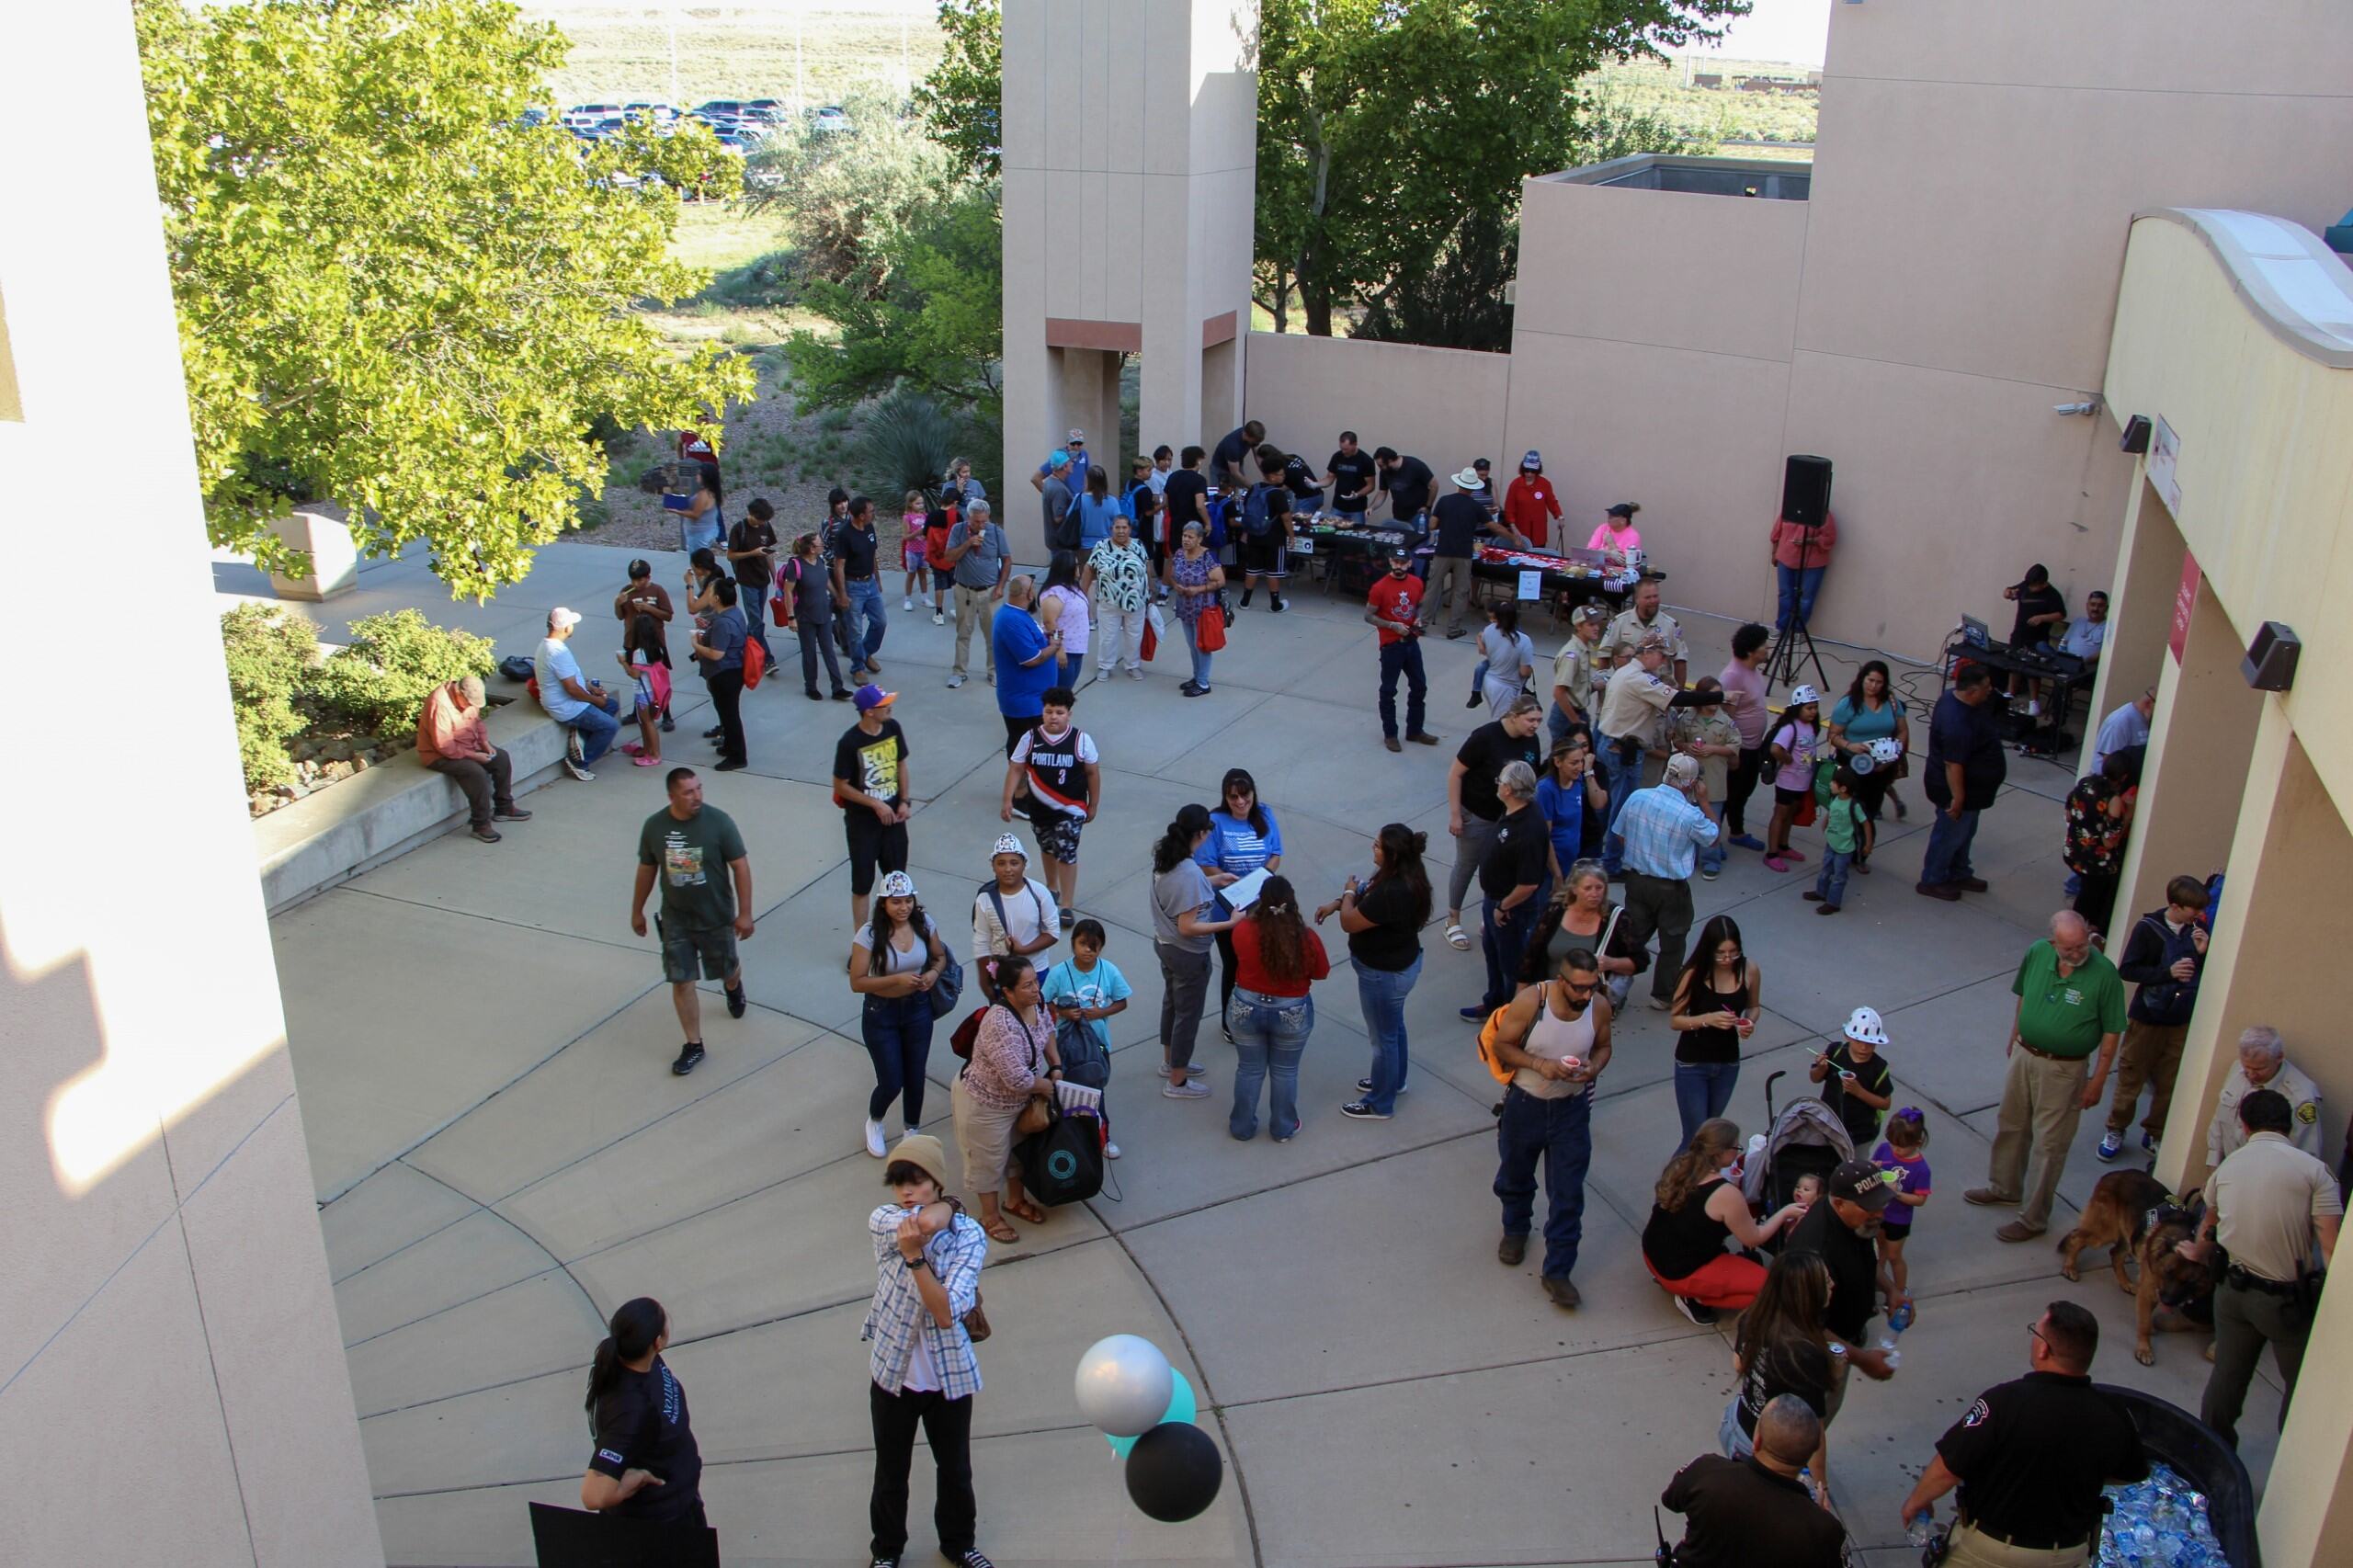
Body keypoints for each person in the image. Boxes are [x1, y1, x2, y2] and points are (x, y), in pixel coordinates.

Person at [1899, 1301, 2147, 1566]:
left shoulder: (2004, 1403)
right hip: (2067, 1555)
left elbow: (1949, 1468)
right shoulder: (2114, 1414)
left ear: (2044, 1349)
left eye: (2035, 1332)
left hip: (1991, 1550)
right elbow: (2131, 1473)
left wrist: (1917, 1501)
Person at [2181, 1088, 2342, 1446]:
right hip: (2285, 1302)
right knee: (2301, 1389)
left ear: (2244, 1124)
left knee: (2226, 1378)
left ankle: (2213, 1453)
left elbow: (2209, 1228)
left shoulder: (2228, 1167)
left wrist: (2197, 1251)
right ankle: (2293, 1460)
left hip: (2232, 1292)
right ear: (2288, 1127)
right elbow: (2330, 1244)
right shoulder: (2315, 1172)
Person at [861, 1134, 992, 1568]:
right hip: (893, 1372)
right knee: (891, 1473)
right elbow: (923, 1224)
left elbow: (946, 1312)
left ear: (936, 1181)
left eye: (916, 1182)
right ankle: (886, 1551)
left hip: (947, 1375)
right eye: (899, 1183)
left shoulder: (970, 1237)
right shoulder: (884, 1219)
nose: (905, 1193)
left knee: (955, 1469)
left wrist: (917, 1260)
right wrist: (948, 1206)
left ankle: (959, 1544)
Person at [1964, 912, 2126, 1241]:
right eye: (2070, 948)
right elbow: (2024, 995)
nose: (2078, 952)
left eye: (2082, 945)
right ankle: (2004, 1187)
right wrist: (2015, 1036)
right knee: (2011, 1123)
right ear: (2054, 943)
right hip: (2026, 1054)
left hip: (2065, 1068)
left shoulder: (2105, 974)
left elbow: (2112, 1032)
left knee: (2049, 1144)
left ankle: (2033, 1218)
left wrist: (2097, 1080)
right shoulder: (2038, 952)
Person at [1489, 946, 1613, 1309]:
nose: (1586, 995)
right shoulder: (1532, 1001)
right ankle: (1515, 1229)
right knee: (1515, 1176)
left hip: (1570, 1111)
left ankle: (1558, 1271)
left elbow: (1605, 1047)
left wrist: (1594, 1068)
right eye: (1578, 988)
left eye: (1592, 986)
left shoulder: (1599, 1007)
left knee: (1568, 1194)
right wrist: (1540, 1065)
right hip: (1525, 1105)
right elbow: (1502, 1046)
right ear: (1561, 981)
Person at [631, 767, 752, 1077]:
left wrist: (745, 913)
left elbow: (740, 867)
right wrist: (637, 910)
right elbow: (647, 869)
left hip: (715, 917)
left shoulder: (719, 823)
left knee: (727, 968)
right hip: (676, 920)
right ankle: (694, 1044)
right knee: (682, 980)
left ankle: (734, 986)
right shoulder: (655, 827)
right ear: (672, 796)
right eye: (688, 792)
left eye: (699, 789)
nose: (697, 796)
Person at [1642, 1119, 1806, 1323]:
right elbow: (1753, 1238)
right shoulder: (1725, 1193)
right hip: (1681, 1272)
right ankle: (1696, 1297)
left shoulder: (1680, 1166)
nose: (1738, 1151)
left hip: (1654, 1256)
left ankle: (1690, 1288)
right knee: (1771, 1289)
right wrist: (1785, 1212)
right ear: (1720, 1152)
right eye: (1736, 1147)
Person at [2096, 875, 2210, 1162]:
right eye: (2193, 909)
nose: (2198, 915)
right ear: (2175, 905)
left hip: (2180, 1018)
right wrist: (2167, 974)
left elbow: (2199, 973)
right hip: (2147, 1017)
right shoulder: (2148, 929)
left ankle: (2156, 1131)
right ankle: (2116, 1129)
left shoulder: (2198, 930)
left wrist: (2202, 955)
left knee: (2170, 1082)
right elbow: (2129, 970)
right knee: (2131, 1076)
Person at [1322, 824, 1430, 1121]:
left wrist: (1345, 893)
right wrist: (1338, 901)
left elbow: (1350, 922)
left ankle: (1380, 1103)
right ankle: (1394, 1080)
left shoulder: (1393, 891)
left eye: (1378, 846)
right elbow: (1364, 894)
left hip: (1384, 975)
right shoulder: (1407, 876)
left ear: (1393, 855)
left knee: (1383, 1041)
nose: (1373, 847)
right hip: (1401, 967)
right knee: (1393, 1029)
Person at [1662, 1395, 1846, 1568]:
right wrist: (1820, 1515)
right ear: (1810, 1453)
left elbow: (1670, 1500)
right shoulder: (1822, 1529)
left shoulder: (1706, 1472)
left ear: (1756, 1440)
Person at [951, 952, 1059, 1242]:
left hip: (1018, 1101)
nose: (1035, 989)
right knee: (988, 1161)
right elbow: (1017, 1079)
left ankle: (1014, 1201)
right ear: (1008, 992)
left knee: (1017, 1153)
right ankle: (990, 1217)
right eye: (1027, 985)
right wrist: (1046, 1087)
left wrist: (1056, 1066)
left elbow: (1048, 1031)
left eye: (1035, 981)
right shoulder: (999, 1024)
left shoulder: (1038, 1004)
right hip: (985, 1104)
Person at [1596, 634, 1720, 874]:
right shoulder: (1639, 679)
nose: (1663, 662)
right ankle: (1610, 863)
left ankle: (1602, 854)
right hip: (1623, 750)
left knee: (1615, 805)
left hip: (1616, 744)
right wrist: (1720, 697)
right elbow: (1679, 698)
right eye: (1661, 656)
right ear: (1648, 653)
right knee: (1622, 810)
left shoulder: (1625, 672)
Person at [581, 1297, 705, 1527]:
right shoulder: (632, 1412)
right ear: (658, 1341)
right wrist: (633, 1480)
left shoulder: (636, 1359)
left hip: (680, 1498)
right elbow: (594, 1495)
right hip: (662, 1518)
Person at [1783, 1161, 1902, 1396]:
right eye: (1870, 1207)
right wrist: (1863, 1360)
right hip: (1818, 1358)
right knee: (1815, 1421)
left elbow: (1864, 1260)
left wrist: (1891, 1290)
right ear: (1839, 1203)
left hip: (1847, 1339)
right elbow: (1810, 1327)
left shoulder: (1857, 1221)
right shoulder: (1817, 1252)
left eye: (1881, 1204)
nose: (1880, 1214)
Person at [1225, 875, 1329, 1142]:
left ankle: (1241, 1127)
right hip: (1291, 1010)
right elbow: (1321, 972)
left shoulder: (1243, 930)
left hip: (1244, 1006)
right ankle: (1283, 1127)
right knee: (1285, 1071)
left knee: (1249, 1069)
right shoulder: (1306, 938)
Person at [1614, 753, 1720, 1011]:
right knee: (1672, 943)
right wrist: (1705, 801)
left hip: (1637, 881)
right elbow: (1713, 837)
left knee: (1630, 939)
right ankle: (1663, 995)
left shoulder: (1638, 797)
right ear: (1691, 783)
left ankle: (1613, 995)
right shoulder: (1690, 814)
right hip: (1671, 889)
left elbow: (1619, 833)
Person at [851, 871, 946, 1158]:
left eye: (908, 901)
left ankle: (911, 1130)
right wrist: (896, 980)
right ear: (883, 904)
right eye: (896, 902)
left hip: (917, 1008)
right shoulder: (868, 935)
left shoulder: (924, 924)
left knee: (916, 1073)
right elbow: (857, 982)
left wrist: (931, 973)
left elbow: (940, 957)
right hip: (881, 1014)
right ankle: (875, 1120)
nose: (903, 907)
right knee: (892, 1079)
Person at [1443, 697, 1546, 950]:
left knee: (1501, 870)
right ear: (1513, 716)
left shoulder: (1532, 741)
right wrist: (1456, 813)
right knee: (1467, 865)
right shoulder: (1486, 737)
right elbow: (1456, 772)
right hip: (1477, 815)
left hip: (1509, 817)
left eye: (1539, 721)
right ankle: (1453, 918)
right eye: (1530, 720)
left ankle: (1491, 916)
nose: (1535, 726)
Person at [1720, 1253, 1836, 1471]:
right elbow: (1814, 1431)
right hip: (1761, 1450)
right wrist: (1821, 1488)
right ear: (1808, 1294)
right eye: (1827, 1281)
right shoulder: (1805, 1356)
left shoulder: (1754, 1317)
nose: (1833, 1285)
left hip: (1734, 1424)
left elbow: (1738, 1364)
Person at [1153, 805, 1235, 1099]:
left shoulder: (1167, 858)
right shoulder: (1188, 872)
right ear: (1201, 833)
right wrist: (1229, 923)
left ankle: (1170, 1061)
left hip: (1165, 944)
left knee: (1172, 1005)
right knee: (1188, 1015)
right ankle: (1177, 1081)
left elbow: (1186, 886)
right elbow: (1188, 926)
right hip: (1187, 954)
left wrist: (1215, 880)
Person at [1462, 761, 1550, 1025]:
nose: (1497, 785)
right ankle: (1494, 1001)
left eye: (1500, 781)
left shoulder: (1529, 827)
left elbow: (1529, 883)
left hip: (1511, 908)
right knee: (1493, 951)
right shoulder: (1514, 811)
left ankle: (1512, 1016)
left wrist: (1503, 907)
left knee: (1512, 961)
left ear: (1509, 789)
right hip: (1495, 901)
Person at [1196, 768, 1284, 1028]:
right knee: (1234, 965)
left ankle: (1260, 1015)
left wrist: (1261, 882)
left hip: (1263, 905)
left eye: (1245, 796)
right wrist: (1236, 885)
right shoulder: (1216, 821)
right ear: (1226, 797)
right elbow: (1206, 863)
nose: (1240, 802)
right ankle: (1229, 1021)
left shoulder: (1265, 814)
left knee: (1264, 963)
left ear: (1253, 794)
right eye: (1233, 797)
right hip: (1228, 909)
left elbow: (1276, 854)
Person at [1003, 687, 1099, 921]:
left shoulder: (1081, 740)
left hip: (1071, 809)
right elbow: (1016, 768)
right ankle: (1051, 888)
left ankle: (1066, 904)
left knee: (1066, 851)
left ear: (1069, 714)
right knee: (1047, 847)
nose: (1053, 717)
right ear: (1042, 713)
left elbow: (1092, 773)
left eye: (1059, 712)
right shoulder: (1031, 738)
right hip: (1040, 809)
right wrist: (1008, 799)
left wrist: (1093, 804)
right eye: (1049, 712)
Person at [1039, 919, 1131, 1159]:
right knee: (1067, 1092)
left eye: (1094, 946)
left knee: (1095, 1090)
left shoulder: (1108, 970)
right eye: (1083, 944)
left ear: (1101, 948)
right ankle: (1068, 1137)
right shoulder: (1059, 973)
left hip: (1097, 1043)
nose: (1088, 950)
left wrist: (1101, 1012)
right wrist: (1062, 1012)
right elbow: (1044, 1001)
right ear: (1073, 944)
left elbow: (1122, 1002)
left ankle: (1103, 1137)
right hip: (1065, 1046)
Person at [1667, 918, 1760, 1144]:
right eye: (1720, 954)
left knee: (1712, 1137)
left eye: (1733, 952)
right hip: (1693, 1063)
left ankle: (1696, 1179)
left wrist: (1749, 1022)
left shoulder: (1749, 970)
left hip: (1727, 1062)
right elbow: (1676, 1020)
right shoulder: (1693, 974)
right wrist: (1707, 1019)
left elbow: (1754, 1006)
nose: (1727, 959)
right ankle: (1674, 1180)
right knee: (1696, 1139)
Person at [1919, 663, 2006, 900]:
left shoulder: (1954, 699)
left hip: (1974, 791)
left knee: (1965, 832)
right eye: (1986, 687)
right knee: (1950, 835)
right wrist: (1957, 799)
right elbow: (1953, 765)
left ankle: (1959, 871)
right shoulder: (1956, 722)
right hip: (1955, 790)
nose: (1990, 690)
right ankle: (1932, 879)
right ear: (1971, 691)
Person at [834, 686, 913, 929]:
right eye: (884, 704)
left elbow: (901, 764)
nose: (890, 707)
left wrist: (904, 800)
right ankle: (862, 942)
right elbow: (840, 786)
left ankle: (896, 933)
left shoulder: (892, 727)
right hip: (863, 826)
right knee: (862, 885)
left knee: (897, 881)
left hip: (894, 821)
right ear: (869, 712)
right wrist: (875, 804)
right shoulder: (850, 742)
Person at [417, 675, 529, 843]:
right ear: (460, 694)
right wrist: (474, 755)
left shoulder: (468, 700)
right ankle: (480, 824)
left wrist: (484, 743)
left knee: (501, 758)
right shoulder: (440, 704)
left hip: (469, 746)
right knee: (475, 773)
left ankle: (504, 808)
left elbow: (476, 722)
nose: (471, 707)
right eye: (469, 703)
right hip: (439, 755)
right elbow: (444, 746)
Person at [1522, 858, 1643, 1010]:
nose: (1594, 894)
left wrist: (1611, 963)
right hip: (1550, 999)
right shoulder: (1555, 911)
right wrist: (1520, 995)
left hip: (1591, 1005)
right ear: (1573, 889)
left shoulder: (1618, 918)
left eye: (1599, 888)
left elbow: (1640, 961)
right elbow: (1530, 955)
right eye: (1587, 888)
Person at [2205, 1025, 2325, 1165]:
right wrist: (2213, 1165)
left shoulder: (2302, 1096)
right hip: (2228, 1168)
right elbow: (2219, 1121)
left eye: (2259, 1069)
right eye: (2246, 1067)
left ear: (2279, 1057)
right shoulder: (2237, 1069)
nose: (2250, 1074)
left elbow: (2306, 1155)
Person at [538, 607, 627, 780]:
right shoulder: (557, 652)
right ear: (565, 628)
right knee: (610, 726)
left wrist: (588, 686)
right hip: (566, 707)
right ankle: (580, 762)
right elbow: (571, 689)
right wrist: (595, 700)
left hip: (567, 701)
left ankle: (580, 737)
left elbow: (570, 679)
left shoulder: (547, 645)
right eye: (571, 624)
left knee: (611, 705)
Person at [1826, 659, 1910, 839]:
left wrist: (1893, 753)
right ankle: (1842, 850)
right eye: (1870, 680)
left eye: (1879, 682)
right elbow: (1832, 736)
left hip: (1881, 768)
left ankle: (1862, 852)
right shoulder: (1848, 704)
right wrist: (1850, 745)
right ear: (1862, 679)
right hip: (1852, 767)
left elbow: (1903, 730)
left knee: (1870, 812)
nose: (1874, 686)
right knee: (1848, 811)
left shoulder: (1891, 702)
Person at [1365, 543, 1438, 751]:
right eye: (1395, 562)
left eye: (1402, 563)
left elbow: (1421, 605)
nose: (1398, 566)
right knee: (1388, 690)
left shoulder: (1416, 583)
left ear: (1409, 563)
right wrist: (1391, 626)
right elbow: (1368, 615)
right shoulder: (1379, 588)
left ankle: (1415, 730)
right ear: (1390, 562)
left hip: (1411, 642)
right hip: (1391, 645)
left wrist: (1421, 620)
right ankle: (1390, 734)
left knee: (1420, 686)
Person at [971, 833, 1061, 999]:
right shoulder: (985, 899)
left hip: (1036, 971)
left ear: (1024, 864)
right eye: (1001, 863)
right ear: (993, 866)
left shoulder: (1039, 893)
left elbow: (1053, 932)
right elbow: (981, 941)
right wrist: (984, 981)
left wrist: (1024, 950)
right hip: (1004, 975)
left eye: (1014, 863)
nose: (1008, 869)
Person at [1668, 678, 1741, 880]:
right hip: (1689, 779)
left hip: (1714, 778)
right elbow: (1677, 739)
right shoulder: (1687, 718)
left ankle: (1711, 859)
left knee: (1712, 820)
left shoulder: (1726, 721)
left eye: (1719, 694)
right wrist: (1685, 746)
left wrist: (1713, 749)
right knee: (1686, 819)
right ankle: (1686, 857)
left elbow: (1734, 746)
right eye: (1711, 695)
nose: (1715, 700)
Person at [2061, 748, 2137, 937]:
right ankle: (2077, 930)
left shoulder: (2085, 783)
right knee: (2090, 899)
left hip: (2074, 851)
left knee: (2085, 891)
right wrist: (2127, 815)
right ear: (2124, 776)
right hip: (2096, 863)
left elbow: (2069, 814)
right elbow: (2109, 842)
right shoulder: (2113, 800)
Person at [1423, 466, 1501, 637]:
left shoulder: (1444, 501)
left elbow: (1432, 525)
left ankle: (1422, 624)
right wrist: (1512, 536)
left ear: (1458, 484)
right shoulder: (1476, 506)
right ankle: (1453, 628)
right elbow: (1492, 526)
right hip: (1463, 554)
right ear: (1473, 487)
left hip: (1443, 551)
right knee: (1460, 591)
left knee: (1432, 588)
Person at [944, 498, 1009, 690]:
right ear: (968, 518)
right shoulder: (958, 531)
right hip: (965, 590)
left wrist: (1000, 587)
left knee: (993, 635)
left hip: (990, 591)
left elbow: (1006, 560)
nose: (980, 525)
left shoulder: (996, 532)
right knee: (963, 632)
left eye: (983, 521)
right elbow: (949, 557)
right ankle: (959, 672)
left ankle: (994, 671)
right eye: (975, 521)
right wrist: (968, 543)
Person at [1810, 1005, 1896, 1152]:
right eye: (1858, 1041)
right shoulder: (1835, 1052)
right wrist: (1821, 1068)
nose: (1864, 1048)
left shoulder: (1878, 1067)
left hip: (1860, 1134)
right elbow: (1815, 1078)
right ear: (1847, 1036)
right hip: (1828, 1124)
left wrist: (1859, 1092)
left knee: (1854, 1171)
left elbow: (1885, 1103)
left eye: (1869, 1043)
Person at [1719, 622, 1774, 850]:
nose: (1768, 649)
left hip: (1754, 747)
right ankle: (1712, 841)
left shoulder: (1753, 671)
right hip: (1739, 750)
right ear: (1751, 651)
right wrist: (1732, 753)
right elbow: (1724, 718)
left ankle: (1737, 832)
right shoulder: (1733, 676)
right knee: (1726, 795)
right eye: (1764, 646)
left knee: (1743, 792)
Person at [991, 575, 1061, 755]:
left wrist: (1046, 637)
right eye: (1033, 589)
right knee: (1023, 752)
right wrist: (1054, 646)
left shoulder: (1019, 615)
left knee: (1033, 750)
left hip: (1034, 700)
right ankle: (1022, 783)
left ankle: (1028, 782)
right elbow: (1032, 659)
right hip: (1024, 704)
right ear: (1029, 595)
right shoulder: (1011, 620)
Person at [1871, 1108, 1932, 1309]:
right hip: (1879, 1212)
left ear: (1918, 1143)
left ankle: (1899, 1290)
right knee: (1879, 1250)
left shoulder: (1921, 1169)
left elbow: (1920, 1199)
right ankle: (1878, 1283)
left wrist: (1896, 1193)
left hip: (1899, 1218)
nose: (1895, 1150)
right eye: (1893, 1144)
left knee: (1894, 1255)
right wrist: (1874, 1167)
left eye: (1902, 1147)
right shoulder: (1884, 1149)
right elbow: (1872, 1166)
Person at [1762, 683, 1824, 873]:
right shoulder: (1790, 728)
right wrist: (1787, 759)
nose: (1813, 712)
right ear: (1798, 708)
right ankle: (1772, 853)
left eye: (1815, 708)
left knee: (1790, 815)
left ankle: (1783, 845)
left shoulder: (1811, 727)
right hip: (1787, 781)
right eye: (1809, 708)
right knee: (1780, 814)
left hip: (1802, 782)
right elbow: (1775, 748)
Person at [688, 578, 749, 771]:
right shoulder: (734, 614)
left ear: (716, 598)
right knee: (726, 713)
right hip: (734, 670)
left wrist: (696, 644)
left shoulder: (723, 622)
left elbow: (717, 653)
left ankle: (737, 756)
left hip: (725, 673)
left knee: (729, 716)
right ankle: (730, 747)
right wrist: (708, 628)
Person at [783, 531, 852, 701]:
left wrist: (838, 596)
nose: (823, 546)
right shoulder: (795, 565)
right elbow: (788, 592)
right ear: (811, 548)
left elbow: (826, 581)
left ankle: (838, 687)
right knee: (809, 653)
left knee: (829, 651)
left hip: (823, 613)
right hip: (805, 617)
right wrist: (791, 617)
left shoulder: (819, 561)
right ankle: (811, 687)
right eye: (820, 544)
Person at [1082, 513, 1151, 679]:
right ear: (1111, 529)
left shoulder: (1139, 545)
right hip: (1109, 600)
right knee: (1108, 637)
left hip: (1136, 600)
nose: (1121, 531)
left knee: (1135, 636)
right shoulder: (1101, 546)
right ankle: (1105, 666)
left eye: (1124, 527)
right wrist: (1081, 594)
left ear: (1130, 529)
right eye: (1117, 527)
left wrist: (1151, 592)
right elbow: (1089, 569)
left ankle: (1133, 665)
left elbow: (1146, 567)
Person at [612, 559, 677, 732]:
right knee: (638, 679)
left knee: (658, 679)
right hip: (632, 641)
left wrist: (649, 608)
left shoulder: (657, 591)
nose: (636, 583)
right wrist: (617, 603)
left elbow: (668, 615)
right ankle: (637, 712)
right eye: (633, 580)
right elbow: (620, 616)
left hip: (653, 643)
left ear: (648, 577)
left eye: (640, 580)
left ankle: (667, 714)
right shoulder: (626, 592)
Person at [1165, 520, 1226, 697]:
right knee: (1192, 646)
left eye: (1190, 537)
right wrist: (1176, 585)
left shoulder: (1208, 557)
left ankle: (1203, 683)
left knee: (1202, 646)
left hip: (1203, 609)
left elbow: (1219, 581)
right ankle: (1196, 676)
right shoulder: (1179, 554)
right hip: (1185, 608)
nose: (1186, 540)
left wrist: (1198, 590)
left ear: (1199, 539)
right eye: (1184, 536)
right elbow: (1172, 575)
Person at [832, 494, 888, 681]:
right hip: (852, 586)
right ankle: (858, 667)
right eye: (871, 511)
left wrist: (877, 580)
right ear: (861, 515)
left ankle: (865, 653)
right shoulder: (844, 535)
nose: (874, 514)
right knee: (855, 629)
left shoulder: (869, 528)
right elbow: (838, 565)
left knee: (880, 622)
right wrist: (842, 594)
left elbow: (873, 555)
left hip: (869, 582)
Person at [1535, 737, 1605, 881]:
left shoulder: (1577, 781)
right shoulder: (1545, 790)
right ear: (1558, 762)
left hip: (1571, 862)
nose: (1579, 767)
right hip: (1550, 869)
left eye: (1581, 761)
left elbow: (1599, 804)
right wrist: (1557, 874)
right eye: (1574, 763)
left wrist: (1588, 773)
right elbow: (1544, 837)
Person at [1233, 450, 1294, 612]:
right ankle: (1275, 604)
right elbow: (1286, 518)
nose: (1283, 477)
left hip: (1254, 536)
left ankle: (1245, 601)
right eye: (1281, 474)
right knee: (1273, 571)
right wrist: (1292, 536)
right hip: (1274, 538)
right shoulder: (1278, 494)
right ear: (1272, 476)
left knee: (1252, 569)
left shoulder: (1254, 489)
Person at [1604, 576, 1688, 687]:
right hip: (1627, 689)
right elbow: (1604, 655)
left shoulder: (1671, 625)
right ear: (1637, 599)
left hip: (1659, 691)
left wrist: (1679, 695)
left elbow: (1680, 661)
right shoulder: (1620, 622)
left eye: (1655, 596)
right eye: (1647, 597)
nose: (1653, 601)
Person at [1547, 602, 1608, 746]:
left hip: (1579, 711)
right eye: (1591, 624)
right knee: (1564, 760)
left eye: (1597, 624)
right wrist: (1575, 721)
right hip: (1566, 715)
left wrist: (1594, 686)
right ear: (1578, 626)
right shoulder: (1572, 654)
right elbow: (1559, 693)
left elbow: (1576, 686)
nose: (1596, 628)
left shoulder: (1584, 649)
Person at [1804, 765, 1864, 914]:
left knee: (1839, 876)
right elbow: (1831, 812)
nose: (1830, 784)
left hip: (1844, 848)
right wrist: (1824, 825)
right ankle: (1821, 892)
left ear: (1843, 788)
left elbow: (1866, 824)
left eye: (1834, 782)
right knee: (1825, 869)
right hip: (1831, 843)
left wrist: (1867, 844)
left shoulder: (1853, 806)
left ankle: (1833, 903)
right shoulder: (1836, 799)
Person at [1769, 505, 1836, 636]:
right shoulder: (1789, 507)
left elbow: (1830, 538)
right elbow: (1777, 532)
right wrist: (1774, 553)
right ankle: (1781, 627)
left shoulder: (1822, 513)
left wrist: (1810, 541)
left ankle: (1797, 630)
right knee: (1785, 594)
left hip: (1812, 563)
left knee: (1806, 598)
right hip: (1786, 557)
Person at [728, 496, 779, 661]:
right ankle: (766, 658)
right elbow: (730, 555)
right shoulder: (739, 529)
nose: (761, 523)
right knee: (756, 620)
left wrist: (775, 576)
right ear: (751, 514)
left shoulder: (766, 526)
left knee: (756, 620)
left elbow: (768, 553)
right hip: (747, 580)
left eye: (764, 520)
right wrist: (752, 553)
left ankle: (744, 648)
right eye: (759, 519)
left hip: (762, 579)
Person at [1035, 550, 1092, 689]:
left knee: (1067, 692)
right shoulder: (1054, 593)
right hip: (1065, 651)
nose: (1078, 568)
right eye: (1076, 565)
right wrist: (1059, 650)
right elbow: (1049, 623)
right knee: (1060, 693)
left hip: (1077, 650)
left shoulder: (1073, 587)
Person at [1473, 599, 1538, 718]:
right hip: (1506, 689)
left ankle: (1475, 693)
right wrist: (1530, 670)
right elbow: (1524, 672)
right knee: (1503, 725)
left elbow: (1483, 649)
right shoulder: (1524, 641)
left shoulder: (1489, 630)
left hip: (1489, 682)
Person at [1161, 446, 1211, 580]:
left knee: (1172, 557)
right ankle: (1193, 586)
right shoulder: (1199, 480)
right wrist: (1208, 523)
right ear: (1198, 460)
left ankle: (1164, 591)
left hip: (1176, 523)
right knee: (1196, 557)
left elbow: (1165, 501)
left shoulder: (1173, 477)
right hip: (1193, 525)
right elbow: (1200, 505)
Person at [1372, 445, 1437, 538]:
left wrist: (1428, 506)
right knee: (1401, 544)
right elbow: (1382, 492)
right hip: (1399, 515)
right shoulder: (1385, 472)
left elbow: (1434, 485)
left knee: (1418, 542)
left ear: (1390, 461)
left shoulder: (1414, 465)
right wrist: (1372, 507)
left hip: (1418, 515)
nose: (1380, 468)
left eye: (1381, 465)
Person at [1502, 450, 1562, 551]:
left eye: (1533, 471)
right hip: (1520, 531)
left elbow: (1552, 502)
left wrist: (1559, 516)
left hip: (1539, 532)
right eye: (1527, 470)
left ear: (1538, 471)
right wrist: (1513, 527)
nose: (1529, 474)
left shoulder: (1545, 484)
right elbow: (1509, 508)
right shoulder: (1515, 484)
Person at [2089, 686, 2155, 774]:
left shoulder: (2145, 719)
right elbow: (2109, 763)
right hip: (2110, 780)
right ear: (2148, 703)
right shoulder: (2119, 722)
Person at [1324, 430, 1377, 531]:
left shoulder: (1366, 460)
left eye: (1346, 449)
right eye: (1342, 448)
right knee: (1331, 531)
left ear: (1355, 444)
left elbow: (1371, 486)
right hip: (1338, 505)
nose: (1343, 452)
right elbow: (1330, 478)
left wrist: (1357, 495)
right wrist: (1315, 484)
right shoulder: (1337, 456)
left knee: (1356, 534)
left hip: (1357, 508)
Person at [922, 491, 957, 625]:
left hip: (937, 557)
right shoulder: (956, 515)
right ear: (954, 503)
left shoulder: (931, 516)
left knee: (939, 585)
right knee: (956, 583)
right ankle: (958, 609)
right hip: (952, 556)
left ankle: (939, 613)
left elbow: (925, 535)